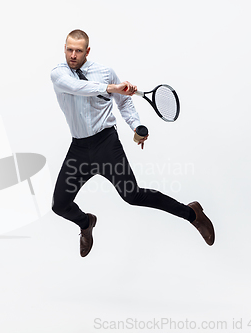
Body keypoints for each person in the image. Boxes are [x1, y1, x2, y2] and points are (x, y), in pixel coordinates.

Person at [50, 29, 215, 257]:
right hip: (79, 149)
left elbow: (124, 104)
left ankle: (192, 214)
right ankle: (86, 223)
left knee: (133, 196)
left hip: (105, 144)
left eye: (78, 51)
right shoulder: (59, 74)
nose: (73, 55)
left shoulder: (105, 73)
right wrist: (111, 88)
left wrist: (136, 126)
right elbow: (77, 88)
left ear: (87, 51)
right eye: (69, 49)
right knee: (59, 205)